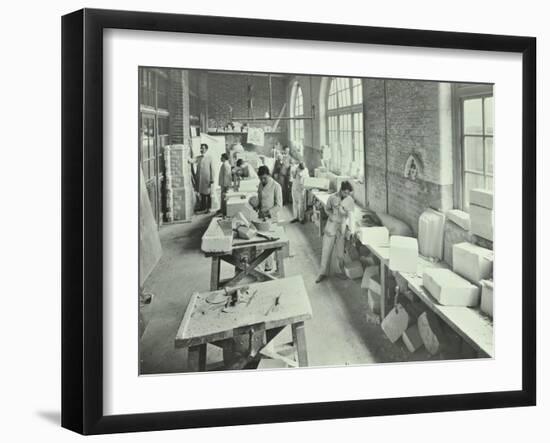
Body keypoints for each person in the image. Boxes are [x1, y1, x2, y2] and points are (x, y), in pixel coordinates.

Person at [316, 181, 354, 283]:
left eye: (348, 193)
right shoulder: (332, 198)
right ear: (341, 190)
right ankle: (322, 273)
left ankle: (338, 271)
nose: (347, 195)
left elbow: (351, 216)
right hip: (331, 224)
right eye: (345, 193)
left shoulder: (349, 200)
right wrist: (331, 215)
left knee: (340, 251)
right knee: (326, 249)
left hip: (341, 226)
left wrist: (350, 229)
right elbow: (327, 208)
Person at [256, 165, 283, 272]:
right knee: (262, 243)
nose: (262, 180)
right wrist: (256, 206)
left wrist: (267, 213)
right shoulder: (260, 185)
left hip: (272, 218)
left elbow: (279, 205)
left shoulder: (276, 186)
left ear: (269, 175)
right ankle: (264, 267)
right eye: (261, 178)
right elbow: (259, 199)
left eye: (264, 178)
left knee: (271, 244)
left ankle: (271, 268)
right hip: (261, 218)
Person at [193, 143, 214, 213]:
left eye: (203, 148)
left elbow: (212, 169)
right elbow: (191, 161)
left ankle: (208, 208)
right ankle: (203, 207)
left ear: (206, 149)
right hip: (200, 179)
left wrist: (212, 178)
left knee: (208, 193)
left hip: (207, 179)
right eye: (201, 148)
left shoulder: (209, 157)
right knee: (202, 193)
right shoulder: (198, 157)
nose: (202, 149)